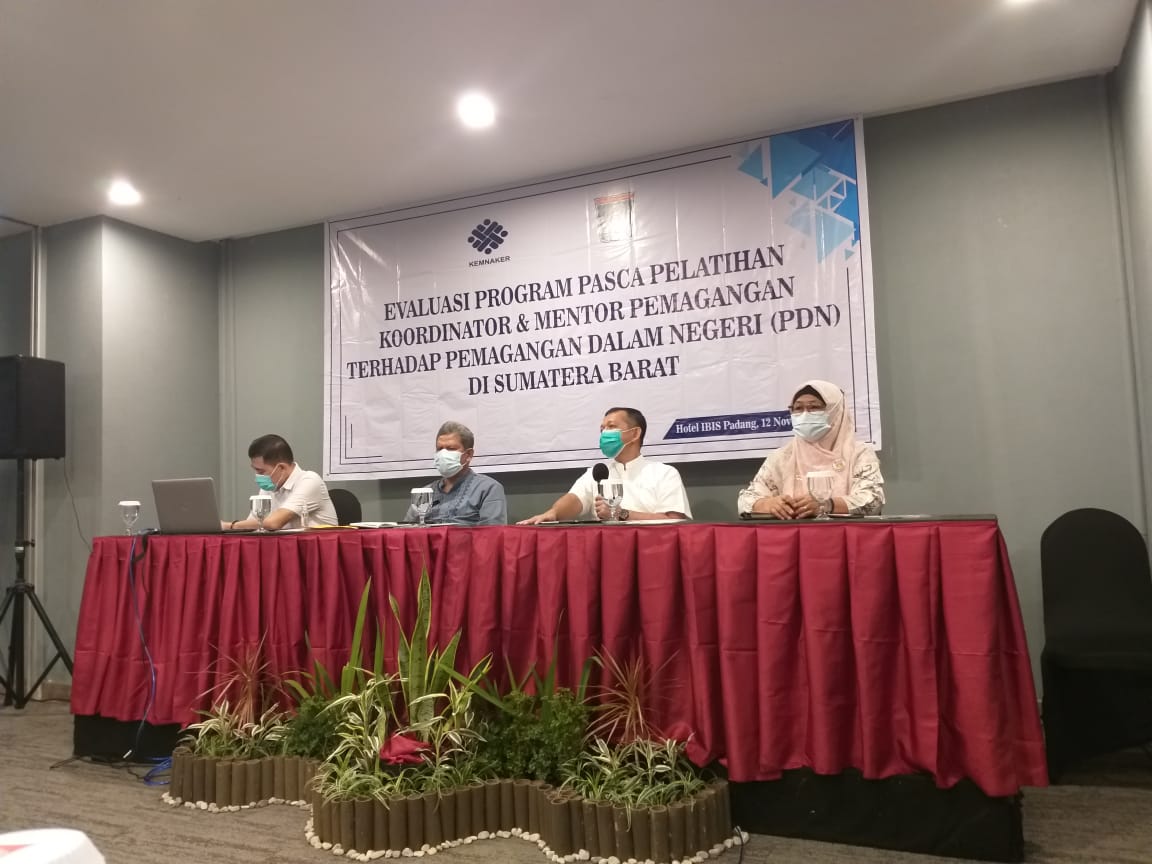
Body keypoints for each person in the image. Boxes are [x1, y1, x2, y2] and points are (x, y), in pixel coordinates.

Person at [737, 380, 884, 518]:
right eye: (798, 408)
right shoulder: (782, 457)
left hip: (844, 533)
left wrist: (826, 505)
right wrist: (768, 504)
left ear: (835, 411)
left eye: (814, 407)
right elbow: (746, 501)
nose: (805, 414)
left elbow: (873, 500)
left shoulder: (859, 453)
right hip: (792, 533)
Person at [519, 407, 691, 524]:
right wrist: (553, 513)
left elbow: (674, 520)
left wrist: (621, 513)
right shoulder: (598, 473)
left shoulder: (664, 473)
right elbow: (574, 499)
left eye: (611, 427)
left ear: (635, 433)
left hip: (652, 550)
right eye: (602, 429)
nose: (604, 434)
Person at [222, 434, 338, 530]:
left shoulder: (310, 481)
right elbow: (253, 525)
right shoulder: (268, 488)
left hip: (315, 548)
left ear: (281, 468)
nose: (257, 477)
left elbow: (273, 523)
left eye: (261, 471)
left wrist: (229, 526)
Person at [403, 421, 507, 525]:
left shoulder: (488, 489)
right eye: (439, 449)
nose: (443, 454)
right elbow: (405, 530)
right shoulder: (424, 493)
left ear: (468, 454)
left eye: (451, 449)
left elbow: (492, 532)